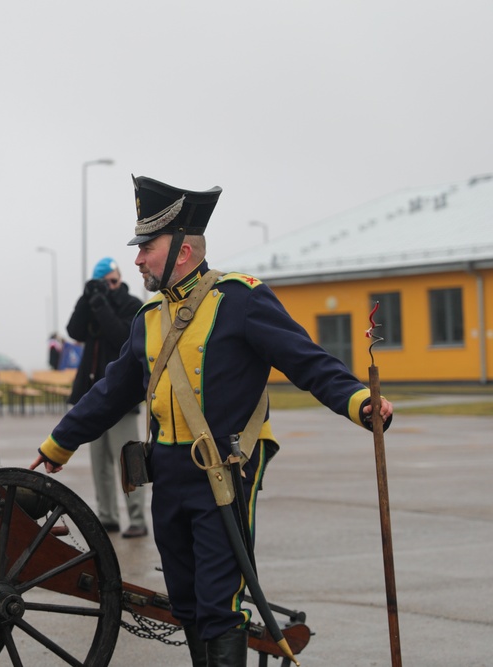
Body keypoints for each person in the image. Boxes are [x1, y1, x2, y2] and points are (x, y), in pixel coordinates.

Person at [32, 176, 394, 667]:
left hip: (226, 469)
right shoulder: (148, 318)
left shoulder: (240, 299)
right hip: (169, 472)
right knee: (185, 600)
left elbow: (305, 360)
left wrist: (357, 400)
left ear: (183, 250)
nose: (137, 259)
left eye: (147, 247)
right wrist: (59, 445)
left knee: (220, 603)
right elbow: (112, 391)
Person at [67, 256, 149, 539]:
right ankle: (108, 517)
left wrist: (102, 303)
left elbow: (121, 336)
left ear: (119, 278)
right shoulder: (92, 303)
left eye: (111, 282)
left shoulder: (131, 305)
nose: (108, 287)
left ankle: (137, 518)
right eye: (102, 283)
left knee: (129, 459)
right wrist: (86, 298)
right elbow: (74, 331)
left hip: (122, 397)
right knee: (99, 462)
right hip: (92, 395)